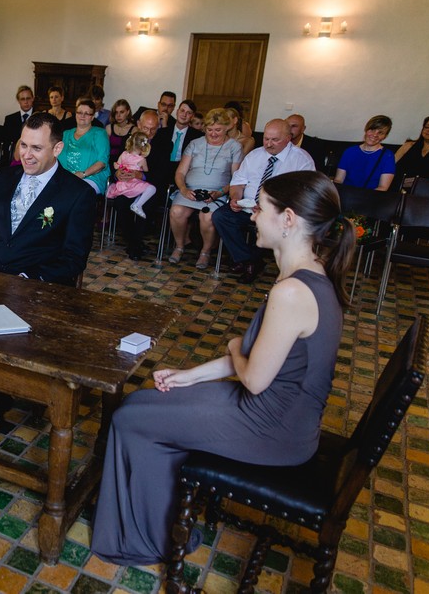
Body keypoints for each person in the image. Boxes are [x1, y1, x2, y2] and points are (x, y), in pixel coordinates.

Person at [92, 171, 355, 566]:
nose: (250, 214)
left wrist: (233, 342)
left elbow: (252, 375)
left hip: (273, 427)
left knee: (130, 419)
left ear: (287, 219)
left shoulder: (291, 292)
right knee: (140, 404)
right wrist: (190, 375)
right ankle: (155, 521)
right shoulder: (312, 274)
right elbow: (263, 360)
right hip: (280, 414)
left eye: (260, 206)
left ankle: (150, 539)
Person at [0, 112, 96, 439]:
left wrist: (31, 278)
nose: (26, 154)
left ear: (57, 148)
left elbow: (74, 258)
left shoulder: (77, 194)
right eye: (23, 145)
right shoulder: (2, 179)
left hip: (39, 289)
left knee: (3, 327)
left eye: (36, 148)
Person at [211, 119, 316, 284]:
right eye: (266, 138)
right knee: (220, 216)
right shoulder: (255, 155)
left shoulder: (301, 160)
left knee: (267, 226)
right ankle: (249, 260)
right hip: (248, 206)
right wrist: (236, 198)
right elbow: (238, 181)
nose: (268, 144)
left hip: (278, 212)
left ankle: (248, 262)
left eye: (275, 140)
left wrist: (271, 206)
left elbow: (304, 194)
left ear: (288, 138)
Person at [168, 108, 243, 270]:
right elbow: (180, 172)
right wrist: (183, 188)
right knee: (176, 212)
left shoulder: (234, 147)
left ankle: (205, 252)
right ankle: (180, 246)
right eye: (209, 130)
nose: (213, 134)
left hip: (217, 193)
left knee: (206, 217)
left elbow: (237, 178)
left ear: (227, 128)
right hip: (190, 190)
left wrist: (220, 192)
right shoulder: (195, 144)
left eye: (218, 130)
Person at [110, 109, 161, 260]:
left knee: (144, 206)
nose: (149, 132)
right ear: (138, 124)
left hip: (148, 186)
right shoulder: (129, 140)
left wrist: (142, 175)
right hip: (126, 184)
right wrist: (117, 174)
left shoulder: (163, 144)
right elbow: (115, 160)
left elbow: (161, 172)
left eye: (153, 129)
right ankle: (133, 241)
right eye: (146, 128)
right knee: (120, 203)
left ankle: (135, 246)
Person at [149, 98, 204, 195]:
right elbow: (154, 155)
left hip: (183, 173)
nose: (184, 114)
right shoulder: (163, 131)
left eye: (188, 113)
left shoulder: (197, 136)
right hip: (162, 171)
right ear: (177, 111)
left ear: (192, 116)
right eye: (182, 111)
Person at [59, 98, 110, 193]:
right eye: (79, 112)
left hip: (91, 178)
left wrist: (82, 174)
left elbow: (102, 163)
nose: (82, 116)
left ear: (92, 117)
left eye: (87, 113)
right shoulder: (65, 134)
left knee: (72, 192)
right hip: (66, 178)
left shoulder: (100, 133)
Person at [333, 115, 395, 191]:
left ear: (385, 136)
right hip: (346, 196)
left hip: (370, 198)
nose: (375, 135)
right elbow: (338, 180)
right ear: (366, 129)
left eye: (380, 133)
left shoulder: (388, 156)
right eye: (372, 130)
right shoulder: (349, 151)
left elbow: (383, 187)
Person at [106, 132, 156, 218]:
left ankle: (136, 203)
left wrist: (121, 169)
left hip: (122, 185)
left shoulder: (124, 154)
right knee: (152, 188)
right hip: (134, 184)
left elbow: (116, 165)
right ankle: (138, 205)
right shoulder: (141, 159)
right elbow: (146, 171)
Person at [1, 85, 35, 155]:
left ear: (33, 99)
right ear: (18, 101)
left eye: (28, 98)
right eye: (22, 99)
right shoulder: (10, 119)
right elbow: (6, 143)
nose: (26, 102)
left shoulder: (40, 117)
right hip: (14, 156)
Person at [105, 99, 135, 165]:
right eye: (116, 112)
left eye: (121, 112)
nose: (118, 115)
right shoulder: (109, 128)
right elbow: (104, 149)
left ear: (128, 112)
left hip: (125, 165)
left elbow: (134, 154)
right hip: (108, 163)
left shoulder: (134, 130)